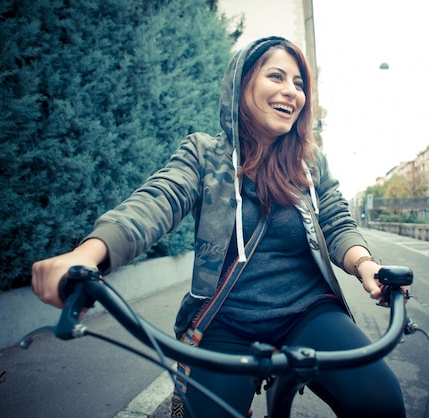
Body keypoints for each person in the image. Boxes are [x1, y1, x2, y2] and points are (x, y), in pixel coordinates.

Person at [32, 36, 408, 418]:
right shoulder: (203, 153)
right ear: (241, 84)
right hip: (226, 319)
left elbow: (336, 221)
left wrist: (366, 265)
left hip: (309, 310)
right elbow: (158, 200)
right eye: (276, 76)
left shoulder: (310, 163)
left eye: (299, 84)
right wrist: (85, 256)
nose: (291, 92)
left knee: (381, 402)